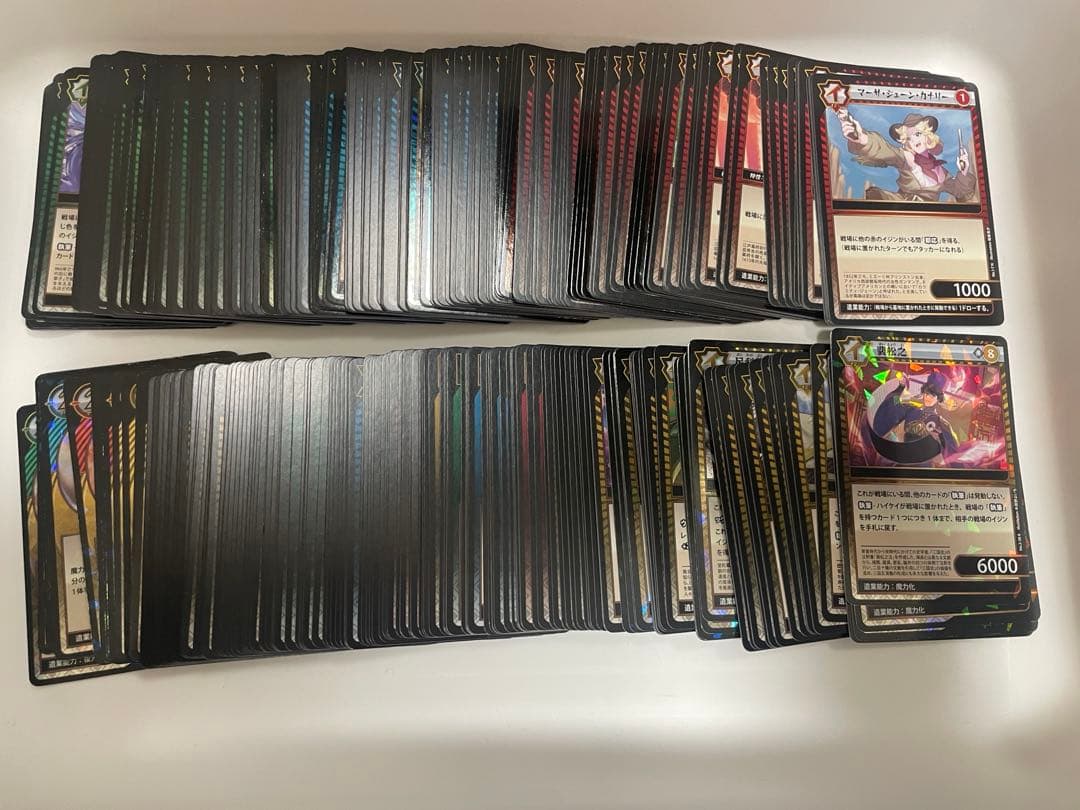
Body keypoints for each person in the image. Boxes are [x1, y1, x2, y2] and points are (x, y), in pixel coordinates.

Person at [839, 110, 977, 203]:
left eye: (918, 134)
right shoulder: (906, 157)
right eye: (909, 137)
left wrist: (964, 171)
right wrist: (861, 137)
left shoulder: (940, 171)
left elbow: (961, 194)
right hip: (902, 209)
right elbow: (885, 150)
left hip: (929, 220)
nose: (914, 140)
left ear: (927, 135)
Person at [872, 369, 958, 457]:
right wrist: (901, 388)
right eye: (926, 393)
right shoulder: (912, 408)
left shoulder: (940, 422)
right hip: (902, 454)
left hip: (922, 459)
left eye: (932, 395)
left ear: (938, 398)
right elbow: (894, 403)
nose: (928, 397)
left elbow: (952, 451)